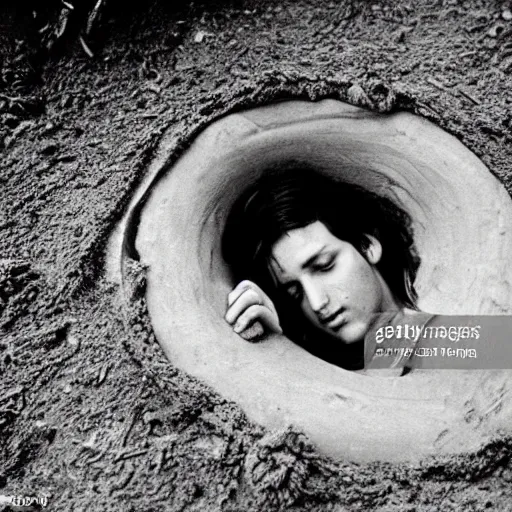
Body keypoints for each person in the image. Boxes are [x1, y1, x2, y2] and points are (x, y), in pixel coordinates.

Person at [221, 167, 426, 371]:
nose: (317, 303)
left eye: (324, 266)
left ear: (367, 246)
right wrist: (276, 347)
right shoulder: (320, 371)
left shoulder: (444, 341)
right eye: (294, 291)